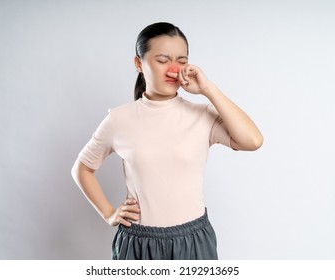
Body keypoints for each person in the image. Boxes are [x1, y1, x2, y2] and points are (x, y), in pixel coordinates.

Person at [71, 22, 263, 260]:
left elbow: (252, 140)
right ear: (139, 63)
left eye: (182, 61)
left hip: (193, 240)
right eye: (162, 60)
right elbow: (82, 169)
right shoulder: (119, 120)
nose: (173, 69)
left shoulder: (202, 115)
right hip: (138, 242)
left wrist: (208, 89)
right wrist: (109, 213)